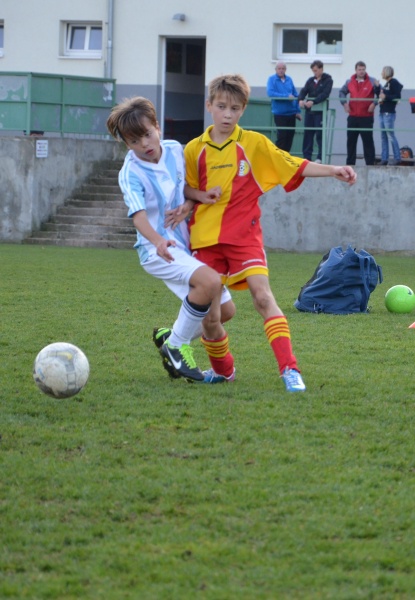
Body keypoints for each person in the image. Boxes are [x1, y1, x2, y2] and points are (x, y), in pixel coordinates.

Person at [174, 74, 356, 393]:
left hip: (245, 238)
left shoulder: (254, 144)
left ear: (243, 109)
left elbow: (292, 164)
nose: (227, 114)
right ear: (209, 105)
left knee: (262, 297)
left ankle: (290, 370)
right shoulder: (193, 149)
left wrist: (333, 171)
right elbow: (188, 188)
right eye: (221, 107)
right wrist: (194, 199)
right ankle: (224, 372)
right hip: (205, 241)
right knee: (210, 319)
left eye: (234, 108)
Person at [106, 96, 235, 383]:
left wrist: (198, 197)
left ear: (157, 126)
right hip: (156, 250)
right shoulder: (130, 173)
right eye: (134, 141)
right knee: (210, 282)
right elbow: (138, 217)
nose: (144, 144)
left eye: (147, 134)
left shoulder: (176, 150)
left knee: (225, 311)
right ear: (126, 144)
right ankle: (176, 346)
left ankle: (171, 337)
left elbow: (183, 186)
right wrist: (158, 241)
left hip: (185, 243)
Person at [339, 61, 380, 165]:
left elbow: (380, 93)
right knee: (351, 142)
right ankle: (350, 164)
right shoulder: (349, 81)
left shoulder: (372, 81)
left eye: (363, 69)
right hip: (353, 117)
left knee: (368, 141)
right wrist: (344, 103)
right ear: (356, 70)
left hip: (366, 117)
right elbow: (342, 92)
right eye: (359, 69)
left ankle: (370, 164)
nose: (361, 71)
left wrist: (374, 104)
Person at [298, 60, 333, 162]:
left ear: (321, 69)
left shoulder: (328, 80)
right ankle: (307, 157)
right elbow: (304, 90)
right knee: (308, 134)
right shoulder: (310, 80)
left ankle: (320, 157)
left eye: (316, 70)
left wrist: (314, 102)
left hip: (320, 112)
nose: (315, 73)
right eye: (313, 71)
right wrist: (300, 99)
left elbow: (325, 94)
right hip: (309, 112)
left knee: (319, 134)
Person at [266, 61, 301, 152]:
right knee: (282, 137)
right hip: (280, 113)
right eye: (279, 68)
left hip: (291, 113)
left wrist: (297, 111)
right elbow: (270, 93)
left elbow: (295, 94)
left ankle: (286, 157)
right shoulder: (272, 79)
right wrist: (286, 97)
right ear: (276, 69)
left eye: (283, 69)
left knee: (290, 136)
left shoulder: (289, 79)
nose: (281, 70)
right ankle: (278, 156)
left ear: (285, 70)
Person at [378, 66, 403, 166]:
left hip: (389, 113)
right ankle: (384, 158)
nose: (381, 73)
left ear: (387, 72)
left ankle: (397, 157)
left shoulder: (393, 82)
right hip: (383, 112)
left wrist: (385, 96)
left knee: (390, 136)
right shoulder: (387, 83)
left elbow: (397, 96)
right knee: (383, 136)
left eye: (383, 71)